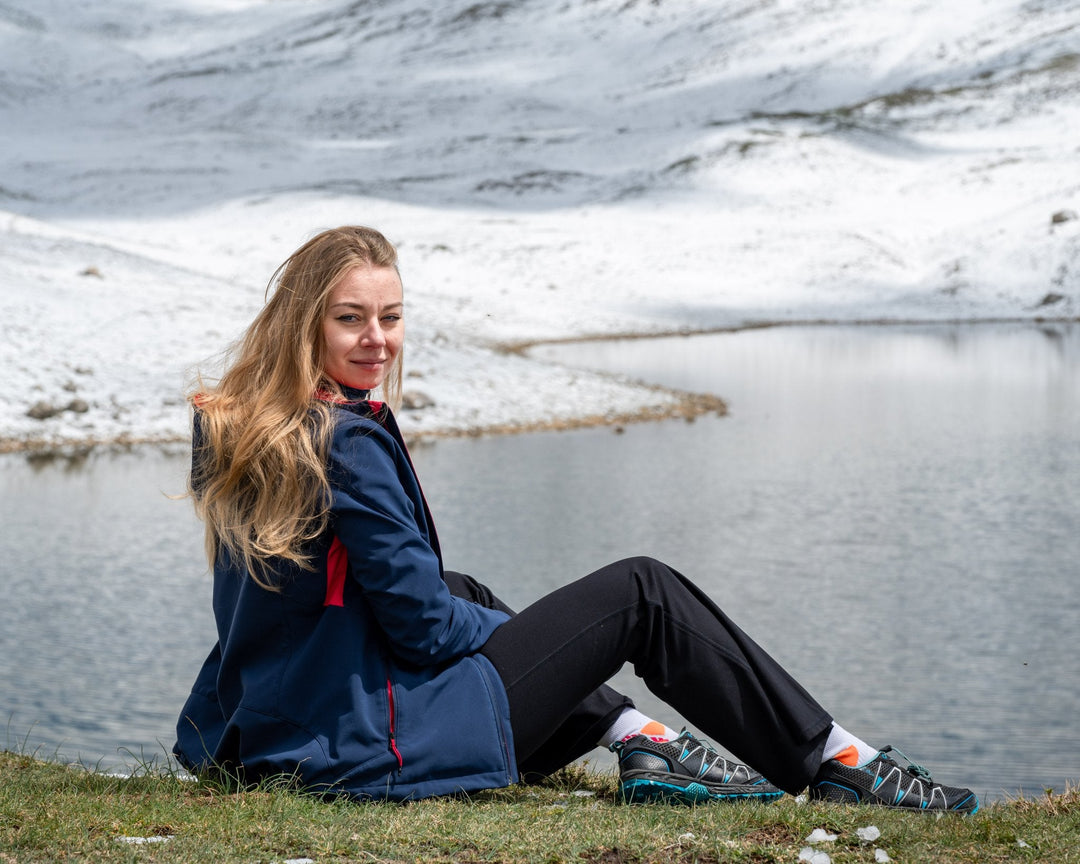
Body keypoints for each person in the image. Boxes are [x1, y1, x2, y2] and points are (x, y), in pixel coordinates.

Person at [173, 225, 978, 813]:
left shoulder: (244, 425)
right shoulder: (345, 440)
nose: (378, 340)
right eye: (352, 318)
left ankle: (641, 740)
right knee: (642, 593)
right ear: (304, 322)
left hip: (272, 733)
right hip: (359, 752)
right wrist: (522, 635)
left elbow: (343, 604)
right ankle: (837, 761)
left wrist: (507, 631)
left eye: (391, 316)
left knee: (462, 586)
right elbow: (421, 629)